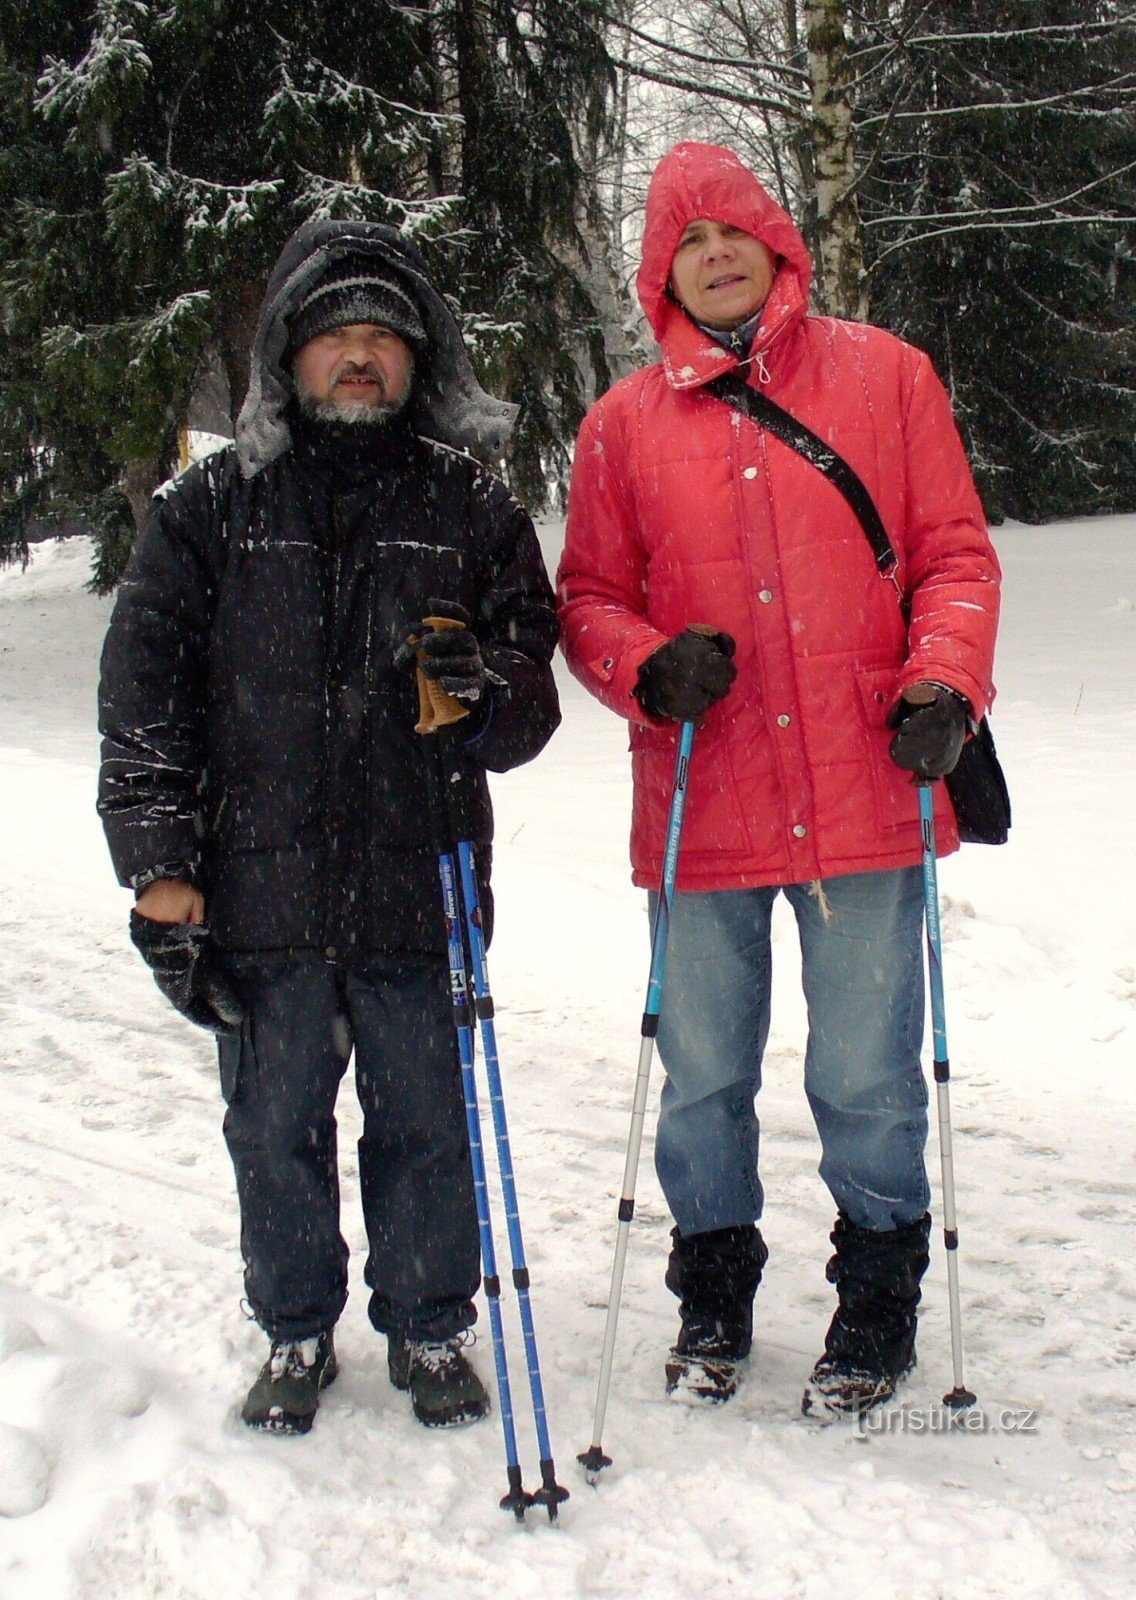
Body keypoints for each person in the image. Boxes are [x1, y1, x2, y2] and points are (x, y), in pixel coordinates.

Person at [557, 142, 1000, 1419]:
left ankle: (875, 1297)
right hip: (703, 799)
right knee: (700, 1072)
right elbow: (585, 597)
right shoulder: (618, 427)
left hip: (869, 783)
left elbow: (953, 558)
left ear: (774, 241)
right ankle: (712, 1290)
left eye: (730, 230)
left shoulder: (887, 376)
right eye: (684, 240)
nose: (711, 253)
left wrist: (941, 687)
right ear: (661, 272)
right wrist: (645, 667)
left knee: (864, 1069)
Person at [98, 219, 560, 1435]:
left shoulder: (469, 503)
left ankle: (429, 1324)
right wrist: (159, 872)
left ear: (422, 359)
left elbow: (528, 693)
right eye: (333, 333)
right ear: (287, 353)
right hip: (262, 889)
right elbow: (142, 698)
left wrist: (478, 690)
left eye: (383, 335)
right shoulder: (210, 505)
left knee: (425, 1122)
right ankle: (296, 1328)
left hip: (424, 880)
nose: (359, 355)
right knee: (273, 1126)